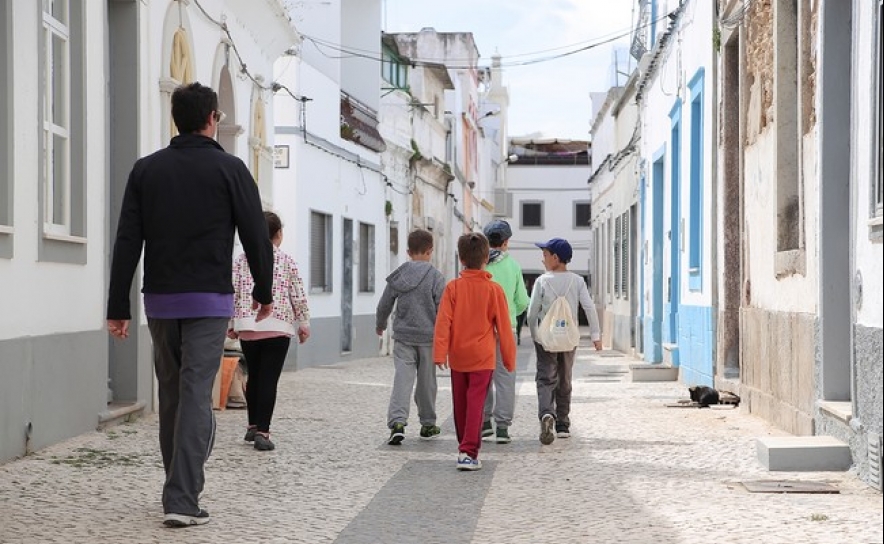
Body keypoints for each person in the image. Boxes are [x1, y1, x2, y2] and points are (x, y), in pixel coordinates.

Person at [106, 82, 274, 528]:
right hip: (208, 301)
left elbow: (127, 239)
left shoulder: (146, 170)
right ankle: (182, 497)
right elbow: (256, 234)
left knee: (173, 395)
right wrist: (264, 291)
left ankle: (177, 486)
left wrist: (117, 305)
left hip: (160, 301)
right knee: (196, 394)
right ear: (213, 118)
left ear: (176, 119)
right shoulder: (231, 169)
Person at [228, 211, 310, 452]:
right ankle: (263, 432)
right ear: (279, 235)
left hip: (248, 328)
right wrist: (303, 323)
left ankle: (252, 426)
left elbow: (233, 293)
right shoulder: (286, 261)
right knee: (269, 380)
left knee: (253, 376)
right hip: (278, 327)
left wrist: (232, 324)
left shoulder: (241, 261)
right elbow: (297, 295)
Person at [434, 233, 516, 470]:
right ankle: (468, 451)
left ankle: (465, 446)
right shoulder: (494, 290)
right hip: (483, 358)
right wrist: (509, 359)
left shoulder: (453, 288)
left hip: (458, 356)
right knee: (476, 403)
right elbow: (504, 328)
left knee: (460, 403)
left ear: (461, 258)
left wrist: (440, 354)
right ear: (486, 258)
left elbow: (443, 322)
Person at [526, 237, 602, 445]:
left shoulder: (542, 281)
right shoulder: (577, 281)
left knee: (545, 378)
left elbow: (532, 313)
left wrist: (534, 334)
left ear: (555, 258)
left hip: (547, 339)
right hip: (569, 338)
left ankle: (546, 414)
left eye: (545, 255)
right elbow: (589, 307)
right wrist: (596, 335)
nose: (543, 260)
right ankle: (563, 424)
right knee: (565, 378)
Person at [376, 229, 446, 445]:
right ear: (430, 251)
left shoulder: (399, 274)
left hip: (404, 337)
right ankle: (427, 424)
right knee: (427, 382)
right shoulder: (436, 277)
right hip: (428, 338)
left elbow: (385, 303)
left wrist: (380, 324)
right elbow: (443, 310)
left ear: (408, 252)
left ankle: (397, 423)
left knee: (402, 380)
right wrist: (445, 338)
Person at [481, 220, 529, 444]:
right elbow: (522, 302)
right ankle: (502, 428)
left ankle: (483, 422)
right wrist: (511, 313)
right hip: (506, 328)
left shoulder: (479, 264)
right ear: (507, 242)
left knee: (482, 376)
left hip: (481, 330)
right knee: (505, 377)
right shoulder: (514, 266)